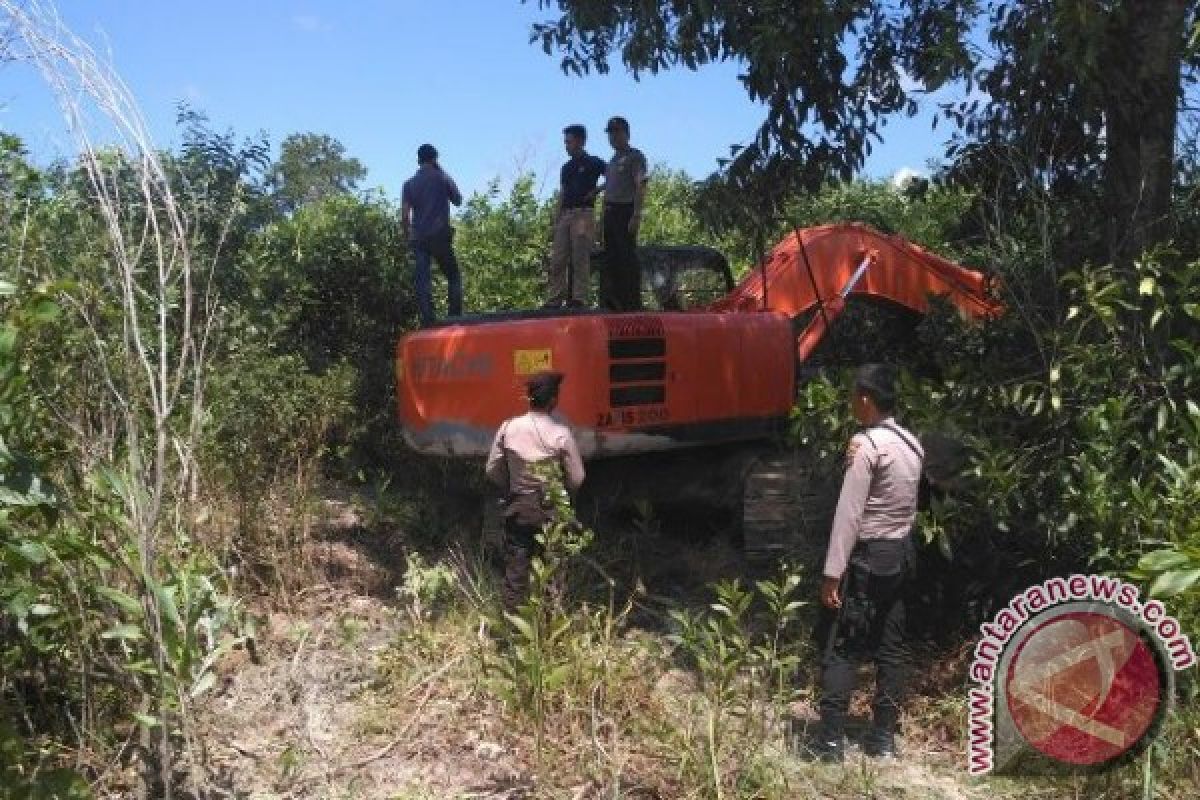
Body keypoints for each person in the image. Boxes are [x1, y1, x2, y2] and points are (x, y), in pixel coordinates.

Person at [811, 364, 924, 762]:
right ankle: (883, 739)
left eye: (853, 396)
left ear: (865, 399)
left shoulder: (866, 446)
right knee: (891, 648)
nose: (850, 404)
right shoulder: (911, 443)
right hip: (900, 557)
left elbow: (849, 515)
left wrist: (831, 574)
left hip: (866, 561)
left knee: (843, 645)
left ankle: (828, 743)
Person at [485, 371, 586, 608]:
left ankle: (513, 629)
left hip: (519, 507)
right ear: (553, 400)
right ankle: (550, 624)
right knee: (553, 570)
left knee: (515, 573)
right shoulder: (561, 433)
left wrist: (511, 487)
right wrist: (566, 495)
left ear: (529, 398)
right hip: (552, 509)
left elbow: (492, 469)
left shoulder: (508, 428)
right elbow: (578, 478)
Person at [402, 144, 463, 327]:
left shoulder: (409, 184)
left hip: (418, 238)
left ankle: (427, 320)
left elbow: (405, 216)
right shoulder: (441, 177)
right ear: (435, 159)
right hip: (439, 235)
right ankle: (454, 318)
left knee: (423, 280)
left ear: (418, 160)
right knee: (453, 276)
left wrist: (407, 238)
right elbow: (458, 200)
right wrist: (442, 171)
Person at [547, 125, 607, 308]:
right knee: (558, 258)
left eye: (569, 142)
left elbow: (613, 177)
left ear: (580, 141)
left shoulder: (594, 162)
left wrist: (597, 190)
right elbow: (562, 193)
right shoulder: (566, 167)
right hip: (566, 214)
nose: (566, 146)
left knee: (580, 257)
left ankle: (579, 298)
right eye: (565, 142)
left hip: (584, 213)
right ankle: (555, 298)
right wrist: (556, 220)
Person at [601, 116, 649, 311]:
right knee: (611, 259)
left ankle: (631, 303)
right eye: (610, 133)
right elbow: (610, 187)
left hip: (625, 211)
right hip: (610, 212)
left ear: (626, 133)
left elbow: (641, 184)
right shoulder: (612, 160)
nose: (613, 136)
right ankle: (614, 303)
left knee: (626, 257)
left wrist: (636, 214)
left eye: (617, 132)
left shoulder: (635, 156)